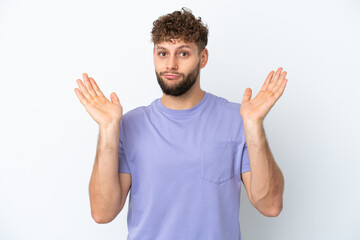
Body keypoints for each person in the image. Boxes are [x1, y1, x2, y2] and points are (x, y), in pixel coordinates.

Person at [74, 7, 287, 240]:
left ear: (202, 58)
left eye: (183, 53)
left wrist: (254, 125)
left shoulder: (239, 120)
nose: (171, 65)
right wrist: (107, 129)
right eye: (163, 53)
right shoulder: (128, 125)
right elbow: (102, 212)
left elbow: (270, 206)